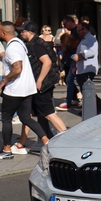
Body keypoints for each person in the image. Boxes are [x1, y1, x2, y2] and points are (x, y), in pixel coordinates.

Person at [0, 21, 48, 160]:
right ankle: (47, 141)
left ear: (4, 33)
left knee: (6, 118)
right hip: (27, 88)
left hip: (15, 89)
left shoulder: (11, 48)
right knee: (25, 118)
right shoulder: (19, 43)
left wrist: (4, 80)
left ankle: (6, 150)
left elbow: (17, 68)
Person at [14, 21, 67, 154]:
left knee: (48, 113)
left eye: (23, 31)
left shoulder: (36, 45)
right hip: (34, 85)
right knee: (27, 115)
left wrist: (39, 81)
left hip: (41, 86)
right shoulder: (33, 43)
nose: (21, 33)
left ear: (30, 32)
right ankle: (21, 143)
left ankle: (67, 138)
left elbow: (47, 62)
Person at [72, 22, 101, 113]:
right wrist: (76, 66)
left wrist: (79, 57)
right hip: (81, 68)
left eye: (79, 30)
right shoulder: (83, 39)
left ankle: (96, 106)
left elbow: (91, 52)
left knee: (87, 89)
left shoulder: (90, 39)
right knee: (84, 90)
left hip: (88, 69)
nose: (78, 32)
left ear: (85, 30)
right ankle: (90, 108)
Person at [56, 16, 80, 111]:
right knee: (71, 80)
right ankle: (71, 100)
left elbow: (75, 46)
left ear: (70, 22)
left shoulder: (76, 31)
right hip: (74, 58)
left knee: (71, 80)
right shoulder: (74, 31)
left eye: (65, 24)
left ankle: (69, 101)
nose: (64, 26)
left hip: (76, 58)